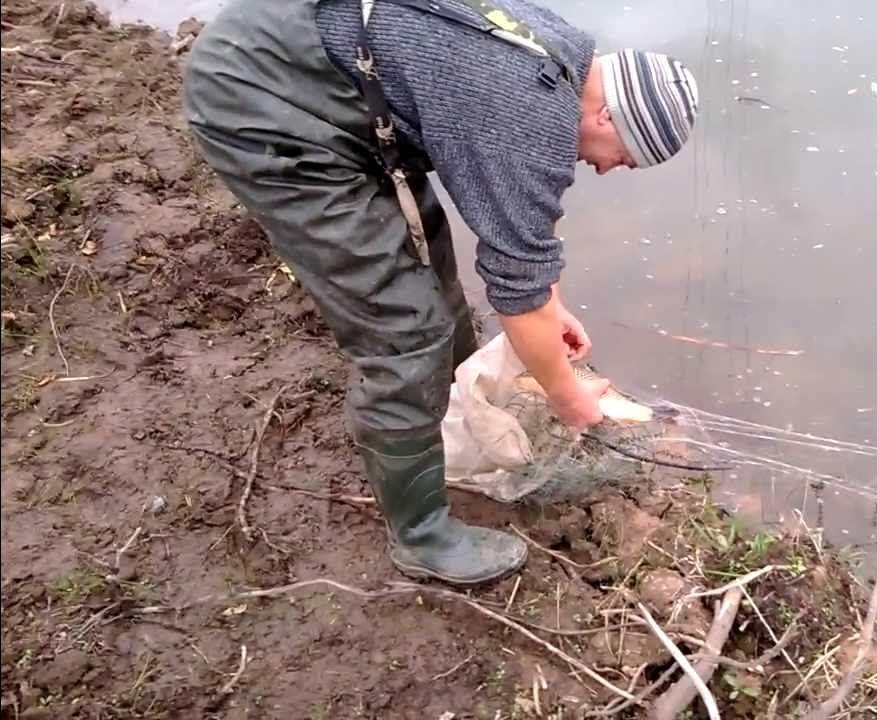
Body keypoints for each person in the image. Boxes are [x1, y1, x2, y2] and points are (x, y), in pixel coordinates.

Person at [182, 0, 699, 585]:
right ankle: (421, 535)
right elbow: (516, 283)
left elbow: (524, 244)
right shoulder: (529, 117)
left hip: (333, 74)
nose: (606, 171)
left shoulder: (565, 54)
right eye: (624, 159)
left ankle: (443, 419)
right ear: (607, 117)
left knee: (431, 266)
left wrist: (549, 304)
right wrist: (564, 392)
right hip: (264, 98)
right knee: (403, 328)